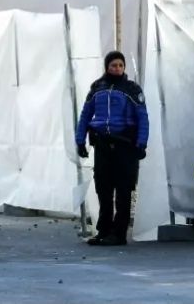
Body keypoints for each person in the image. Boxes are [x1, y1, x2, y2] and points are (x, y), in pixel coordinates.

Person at [75, 51, 149, 246]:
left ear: (124, 68)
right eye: (113, 65)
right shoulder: (97, 88)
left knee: (124, 190)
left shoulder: (132, 89)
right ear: (107, 66)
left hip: (125, 145)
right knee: (103, 189)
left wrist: (141, 143)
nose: (117, 69)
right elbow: (85, 116)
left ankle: (119, 234)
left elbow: (143, 117)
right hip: (102, 145)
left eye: (120, 65)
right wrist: (80, 140)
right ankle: (104, 230)